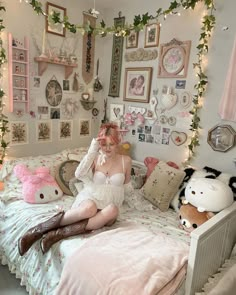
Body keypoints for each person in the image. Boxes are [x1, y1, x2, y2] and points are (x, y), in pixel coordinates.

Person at [18, 123, 132, 256]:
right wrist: (92, 149)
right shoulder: (95, 158)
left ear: (117, 143)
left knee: (113, 209)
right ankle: (38, 230)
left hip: (110, 204)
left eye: (111, 144)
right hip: (93, 196)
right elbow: (79, 174)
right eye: (103, 144)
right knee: (89, 209)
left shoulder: (126, 161)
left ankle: (58, 233)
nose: (107, 148)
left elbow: (127, 187)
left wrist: (138, 203)